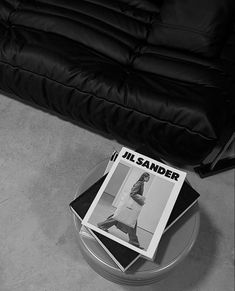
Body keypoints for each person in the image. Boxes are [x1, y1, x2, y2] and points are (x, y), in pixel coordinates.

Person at [97, 172, 150, 248]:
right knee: (128, 220)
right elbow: (132, 193)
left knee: (121, 218)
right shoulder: (140, 183)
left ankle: (102, 225)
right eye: (147, 177)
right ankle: (134, 242)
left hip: (130, 206)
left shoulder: (141, 183)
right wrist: (141, 200)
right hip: (131, 206)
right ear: (144, 177)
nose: (148, 179)